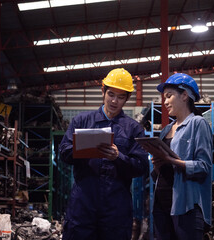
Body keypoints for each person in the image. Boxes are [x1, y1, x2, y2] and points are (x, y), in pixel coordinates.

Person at [59, 68, 149, 240]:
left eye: (121, 97)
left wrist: (118, 158)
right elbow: (64, 152)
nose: (114, 101)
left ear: (127, 99)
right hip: (83, 203)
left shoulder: (133, 129)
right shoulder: (82, 121)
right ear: (103, 91)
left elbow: (141, 166)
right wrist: (83, 148)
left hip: (116, 206)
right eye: (111, 94)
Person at [146, 73, 213, 240]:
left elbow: (204, 167)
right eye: (164, 98)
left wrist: (172, 161)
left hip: (186, 207)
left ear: (184, 95)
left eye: (169, 96)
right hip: (161, 205)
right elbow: (159, 175)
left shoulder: (198, 123)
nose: (165, 102)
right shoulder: (166, 130)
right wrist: (157, 166)